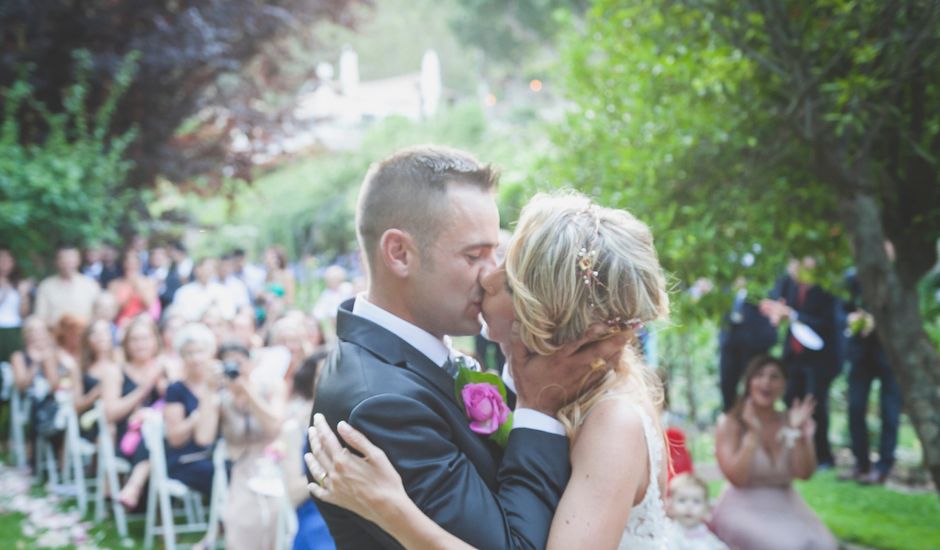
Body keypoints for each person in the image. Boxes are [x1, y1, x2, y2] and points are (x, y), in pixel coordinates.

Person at [308, 155, 664, 550]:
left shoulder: (596, 413)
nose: (489, 276)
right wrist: (537, 407)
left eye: (501, 261)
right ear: (399, 254)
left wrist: (394, 511)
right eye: (474, 255)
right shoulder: (381, 403)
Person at [710, 355, 837, 550]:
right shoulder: (730, 423)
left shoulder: (789, 420)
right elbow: (737, 478)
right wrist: (753, 435)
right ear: (749, 382)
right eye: (759, 375)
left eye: (774, 377)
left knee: (825, 544)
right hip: (742, 505)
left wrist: (799, 434)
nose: (766, 382)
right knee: (785, 546)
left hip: (786, 502)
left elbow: (804, 474)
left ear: (784, 385)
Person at [761, 257, 840, 468]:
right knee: (790, 400)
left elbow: (827, 324)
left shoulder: (826, 290)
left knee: (815, 406)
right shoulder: (788, 285)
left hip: (819, 358)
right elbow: (775, 302)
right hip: (793, 356)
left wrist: (794, 315)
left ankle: (822, 456)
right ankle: (793, 450)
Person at [213, 341, 288, 550]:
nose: (235, 369)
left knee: (272, 511)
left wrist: (248, 391)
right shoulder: (221, 396)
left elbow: (274, 426)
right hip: (237, 466)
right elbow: (203, 437)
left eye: (239, 362)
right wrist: (208, 392)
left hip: (271, 463)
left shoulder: (271, 386)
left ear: (251, 362)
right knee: (241, 517)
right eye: (228, 364)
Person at [841, 242, 901, 485]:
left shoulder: (898, 281)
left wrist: (877, 322)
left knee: (890, 412)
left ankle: (883, 467)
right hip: (860, 354)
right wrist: (853, 319)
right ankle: (861, 463)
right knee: (855, 407)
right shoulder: (853, 278)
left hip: (890, 356)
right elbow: (841, 310)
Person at [100, 315, 167, 509]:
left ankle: (136, 488)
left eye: (145, 338)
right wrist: (144, 388)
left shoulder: (165, 367)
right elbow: (110, 414)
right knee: (153, 436)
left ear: (155, 341)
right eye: (135, 340)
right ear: (126, 344)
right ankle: (135, 486)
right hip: (129, 438)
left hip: (164, 434)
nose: (140, 344)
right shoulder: (115, 371)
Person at [163, 323, 220, 497]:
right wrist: (197, 418)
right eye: (190, 353)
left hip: (216, 453)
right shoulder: (176, 389)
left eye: (200, 352)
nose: (196, 358)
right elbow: (174, 438)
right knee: (218, 473)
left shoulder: (221, 385)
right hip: (185, 460)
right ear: (182, 356)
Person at [718, 277, 777, 411]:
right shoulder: (726, 284)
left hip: (755, 347)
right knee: (727, 389)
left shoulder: (762, 285)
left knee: (754, 391)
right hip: (729, 344)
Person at [34, 245, 101, 327]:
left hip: (84, 335)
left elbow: (97, 315)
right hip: (54, 335)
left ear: (78, 260)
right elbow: (41, 316)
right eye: (63, 258)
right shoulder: (46, 286)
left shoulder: (91, 285)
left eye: (71, 258)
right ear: (56, 261)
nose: (67, 262)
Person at [665, 474, 727, 550]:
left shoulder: (704, 531)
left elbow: (717, 545)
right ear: (671, 506)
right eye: (682, 500)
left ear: (705, 509)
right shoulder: (671, 534)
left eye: (696, 501)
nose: (689, 506)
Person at [109, 249, 161, 329]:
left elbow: (149, 304)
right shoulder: (114, 284)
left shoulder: (148, 283)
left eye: (134, 263)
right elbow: (113, 309)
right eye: (128, 262)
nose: (131, 265)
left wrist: (137, 284)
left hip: (141, 323)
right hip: (120, 324)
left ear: (139, 264)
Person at [0, 248, 32, 363]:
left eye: (8, 260)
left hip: (14, 329)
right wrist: (4, 292)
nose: (4, 263)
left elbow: (24, 314)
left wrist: (23, 295)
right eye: (1, 259)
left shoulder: (19, 283)